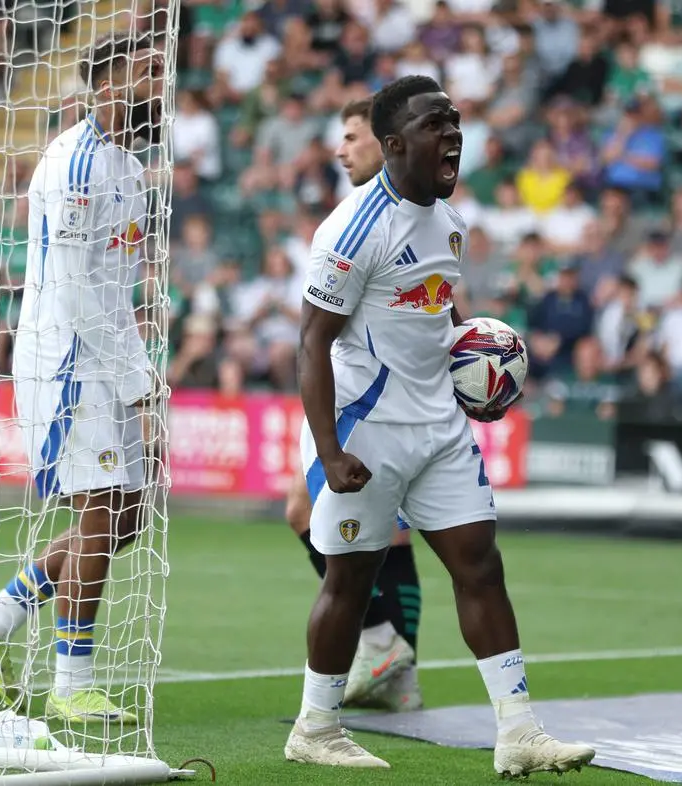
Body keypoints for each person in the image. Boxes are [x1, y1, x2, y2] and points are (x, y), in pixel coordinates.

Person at [284, 75, 595, 777]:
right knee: (351, 581)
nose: (452, 133)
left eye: (454, 121)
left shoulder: (450, 221)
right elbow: (311, 342)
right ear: (395, 145)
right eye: (434, 124)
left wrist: (483, 374)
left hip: (441, 426)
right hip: (366, 430)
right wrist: (329, 451)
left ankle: (519, 731)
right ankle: (316, 727)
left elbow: (439, 314)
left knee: (480, 564)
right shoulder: (353, 229)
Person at [0, 35, 165, 724]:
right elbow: (75, 291)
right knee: (100, 512)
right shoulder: (75, 162)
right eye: (147, 72)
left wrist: (137, 369)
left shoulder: (131, 167)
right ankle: (71, 685)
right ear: (107, 81)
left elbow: (116, 289)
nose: (159, 85)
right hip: (67, 357)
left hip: (106, 354)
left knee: (125, 518)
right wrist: (138, 381)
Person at [286, 97, 423, 714]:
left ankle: (385, 646)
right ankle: (394, 663)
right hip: (354, 386)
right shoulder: (361, 213)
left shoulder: (395, 215)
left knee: (357, 524)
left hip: (375, 396)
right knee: (370, 528)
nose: (340, 150)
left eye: (351, 136)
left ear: (387, 142)